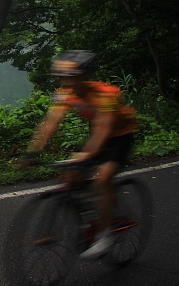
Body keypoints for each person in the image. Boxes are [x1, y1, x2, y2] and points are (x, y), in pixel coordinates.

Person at [27, 50, 138, 260]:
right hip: (97, 133)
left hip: (121, 135)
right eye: (63, 77)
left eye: (71, 77)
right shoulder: (65, 94)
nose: (67, 81)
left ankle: (104, 236)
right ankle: (94, 215)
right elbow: (50, 124)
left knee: (101, 180)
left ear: (83, 76)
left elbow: (104, 130)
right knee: (72, 177)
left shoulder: (105, 94)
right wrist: (32, 152)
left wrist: (86, 155)